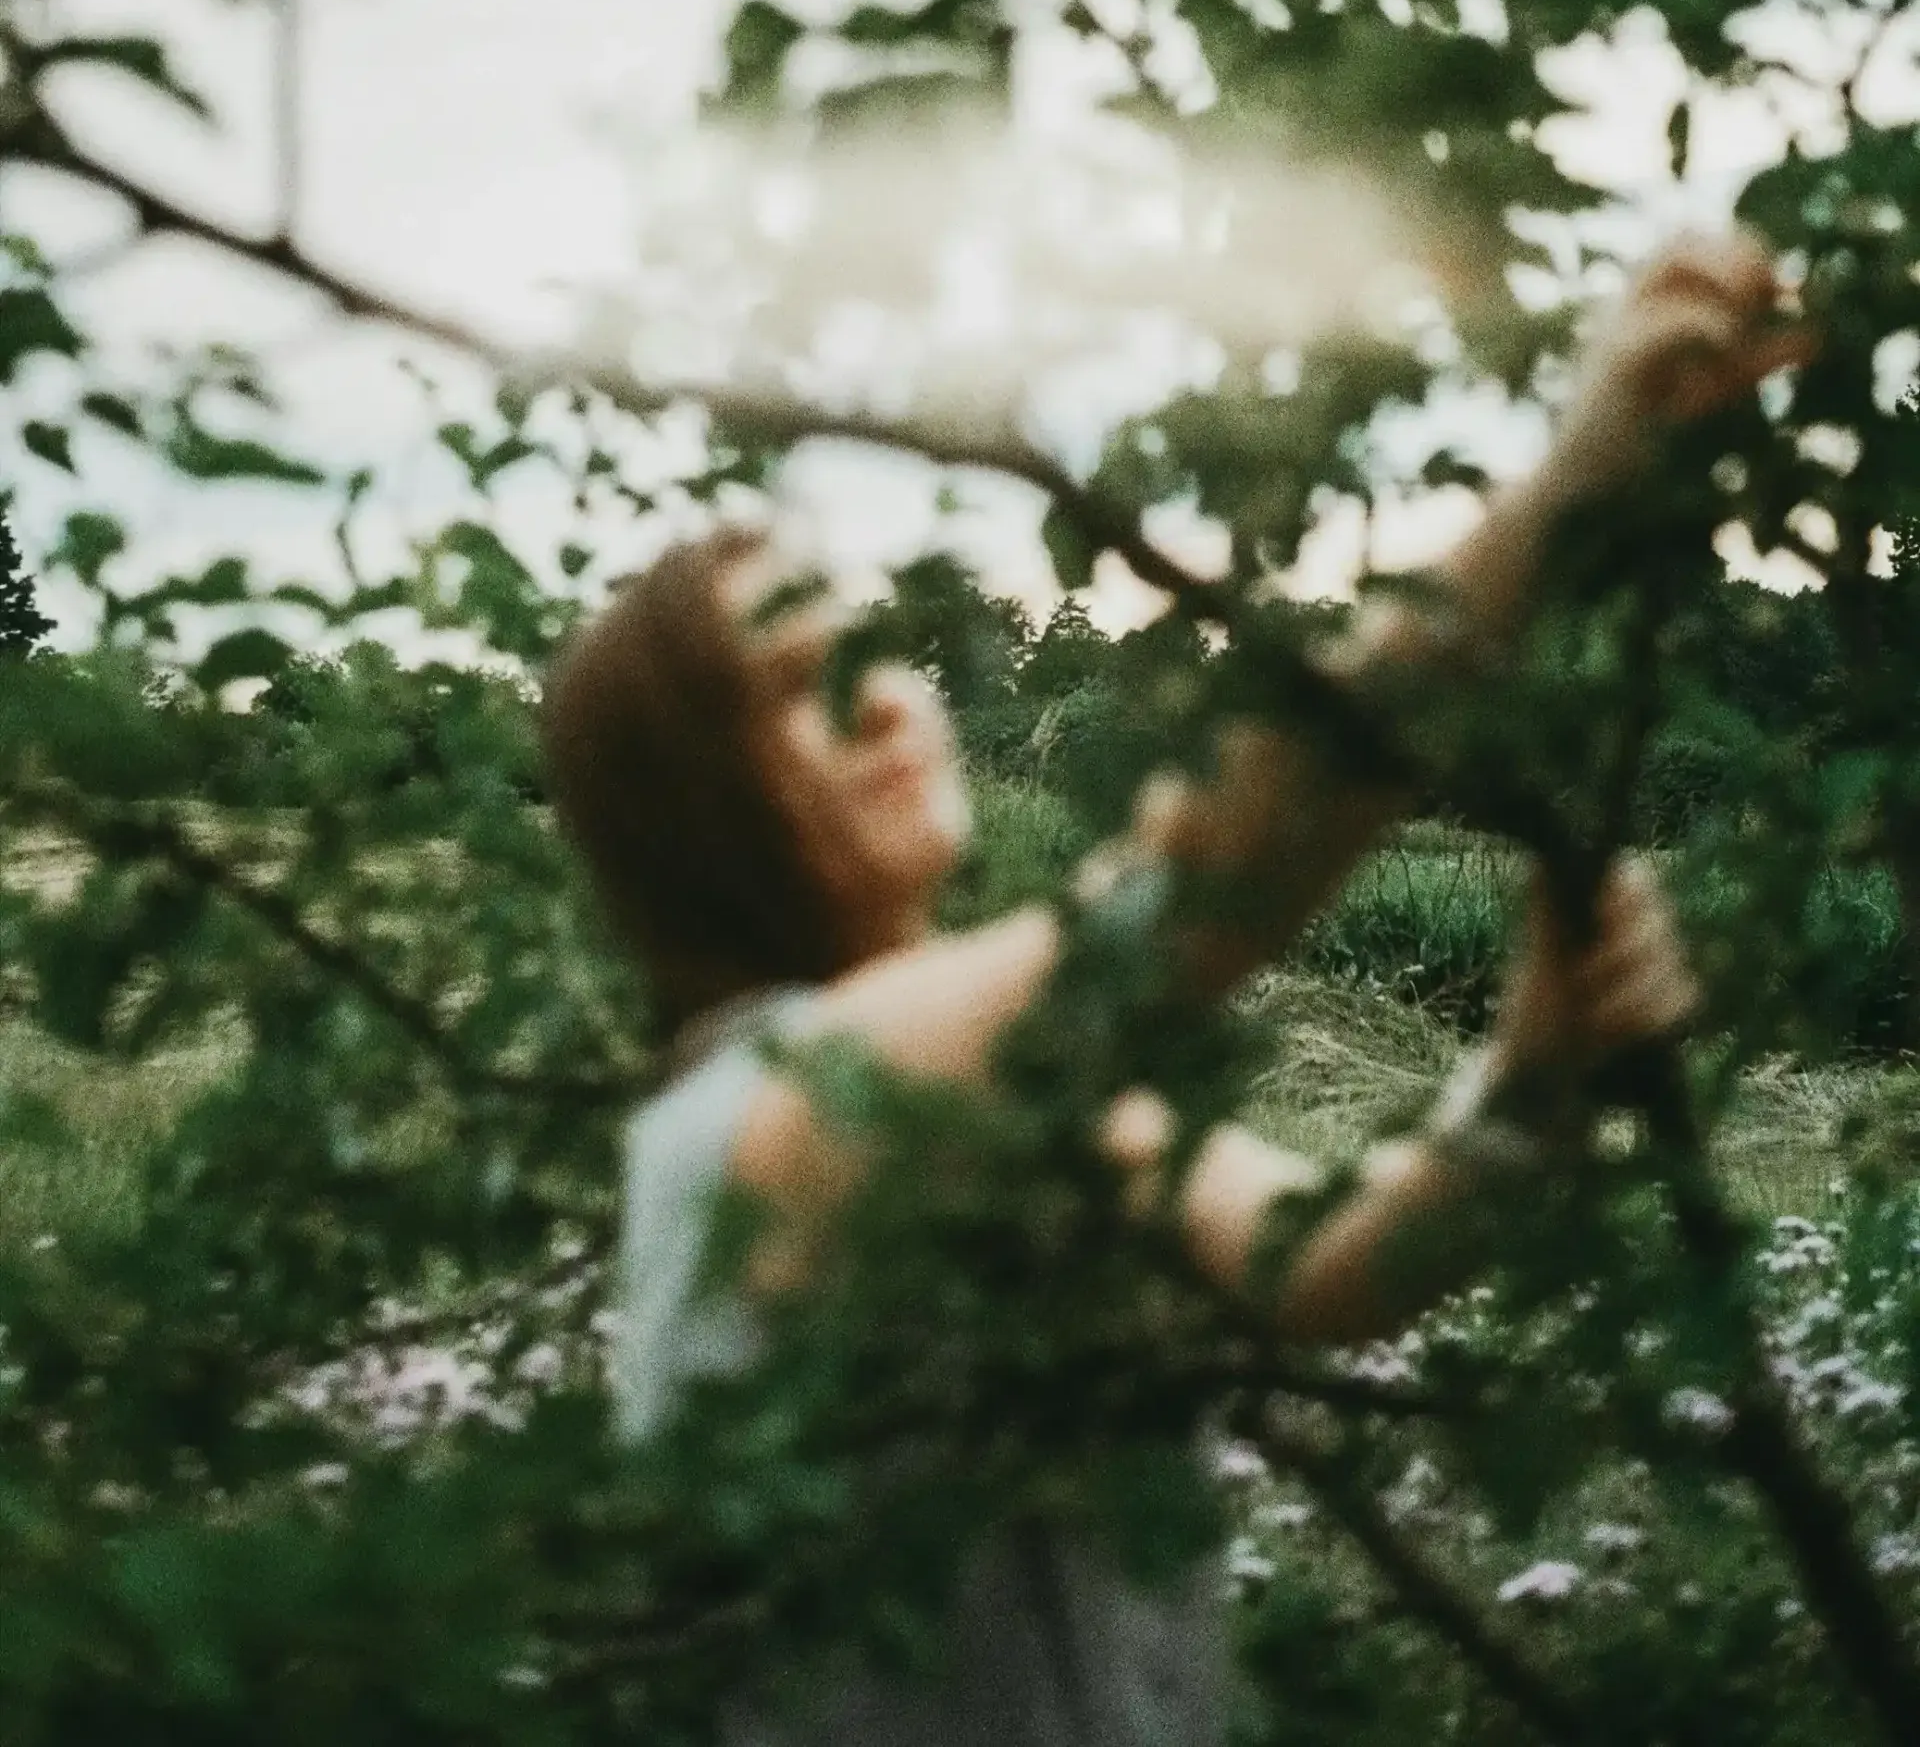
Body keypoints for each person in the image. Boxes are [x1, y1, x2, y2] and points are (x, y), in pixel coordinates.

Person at [544, 234, 1800, 1746]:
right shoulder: (783, 1115)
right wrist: (1569, 489)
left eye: (871, 645)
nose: (884, 694)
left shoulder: (997, 1113)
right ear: (692, 809)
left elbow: (1333, 1267)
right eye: (796, 690)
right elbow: (1196, 879)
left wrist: (1537, 1064)